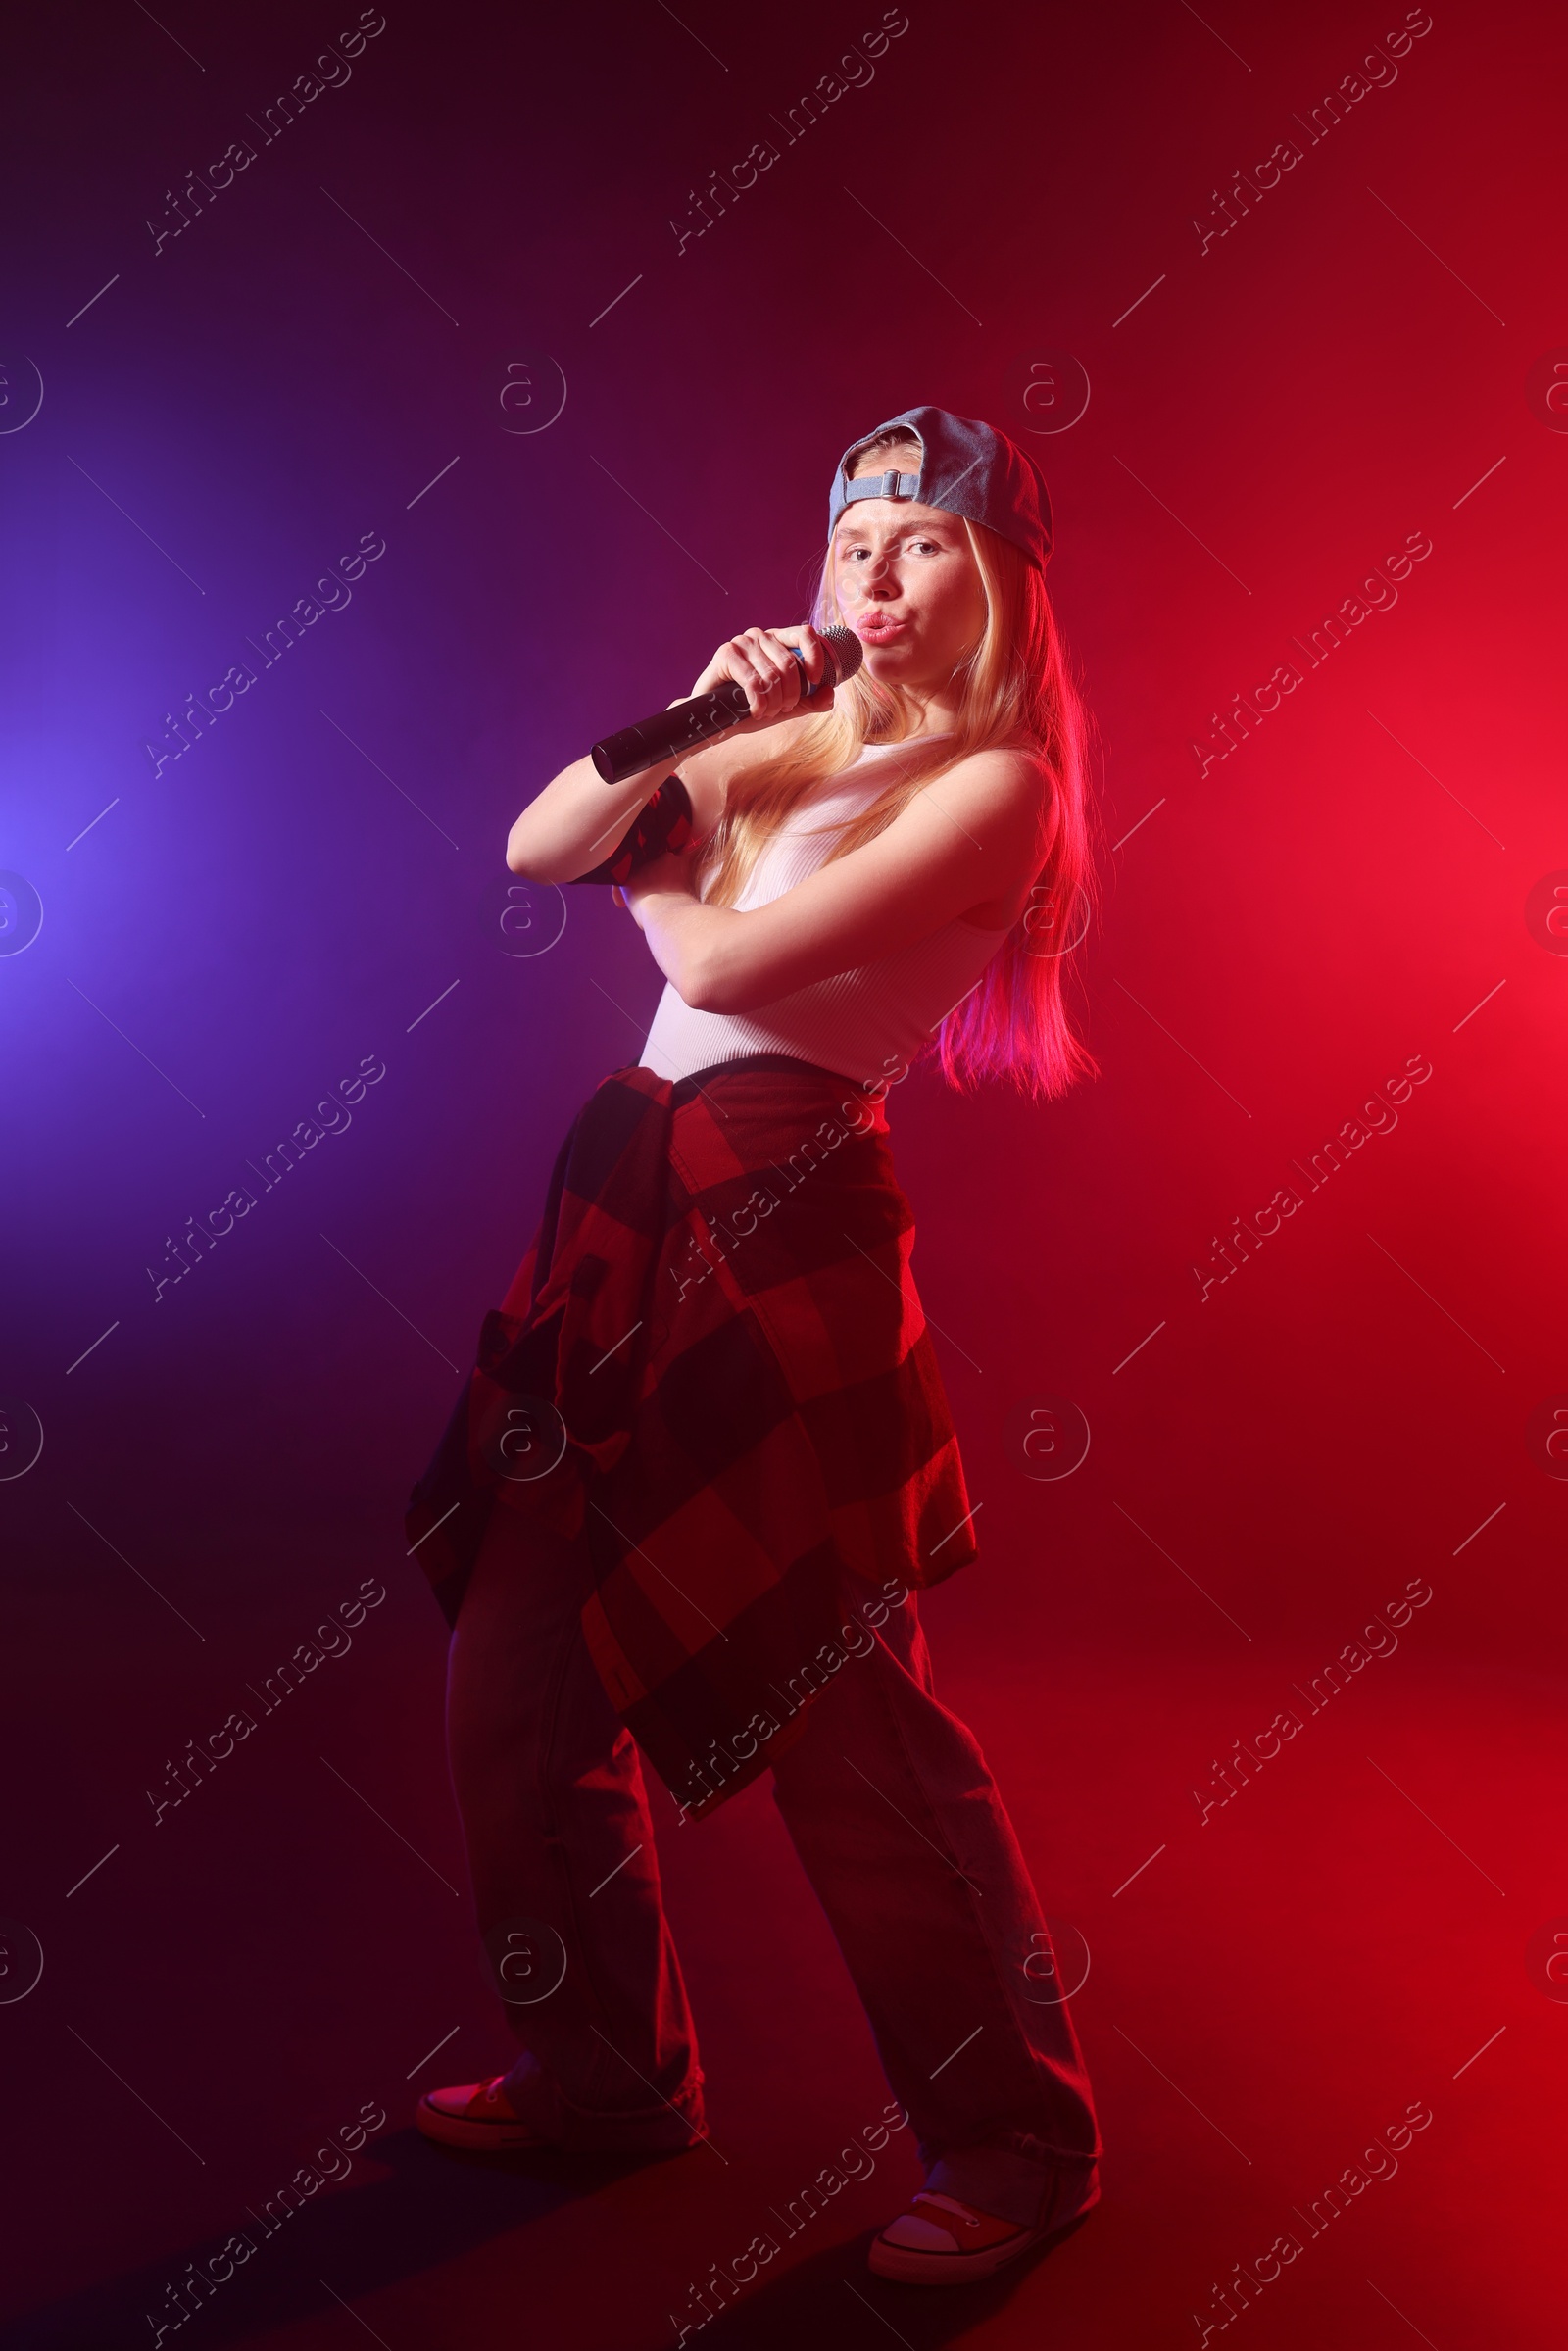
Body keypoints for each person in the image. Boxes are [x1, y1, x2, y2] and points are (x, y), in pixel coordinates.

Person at [404, 407, 1102, 2290]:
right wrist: (687, 734)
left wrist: (659, 850)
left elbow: (711, 973)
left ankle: (1018, 2145)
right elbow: (539, 835)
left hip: (782, 1208)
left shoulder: (1002, 784)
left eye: (922, 543)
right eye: (854, 540)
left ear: (997, 576)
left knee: (843, 1717)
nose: (875, 577)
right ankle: (605, 2076)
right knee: (519, 1669)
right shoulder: (782, 735)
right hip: (629, 1208)